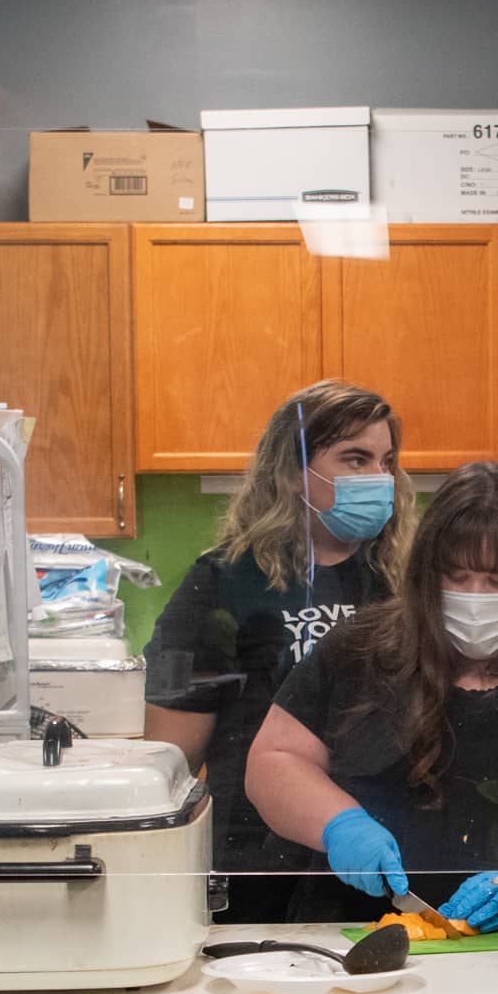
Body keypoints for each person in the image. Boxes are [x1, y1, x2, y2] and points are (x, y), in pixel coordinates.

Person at [247, 462, 498, 931]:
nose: (475, 595)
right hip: (353, 931)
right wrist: (339, 824)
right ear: (425, 573)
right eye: (456, 577)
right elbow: (274, 762)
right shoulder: (356, 652)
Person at [144, 382, 403, 921]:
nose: (377, 478)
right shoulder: (221, 585)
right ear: (291, 472)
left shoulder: (403, 584)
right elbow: (171, 764)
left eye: (385, 461)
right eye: (354, 459)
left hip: (388, 858)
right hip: (259, 863)